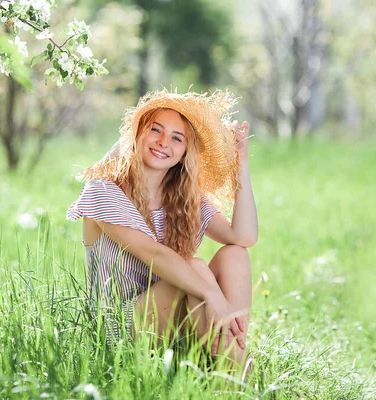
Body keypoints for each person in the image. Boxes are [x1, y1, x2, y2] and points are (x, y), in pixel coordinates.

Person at [66, 89, 258, 369]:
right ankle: (243, 373)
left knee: (234, 255)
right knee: (194, 267)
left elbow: (244, 237)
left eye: (176, 138)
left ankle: (226, 365)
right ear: (138, 134)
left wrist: (241, 167)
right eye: (155, 130)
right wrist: (213, 295)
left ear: (183, 153)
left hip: (172, 321)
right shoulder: (105, 189)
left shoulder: (183, 196)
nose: (163, 142)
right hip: (120, 330)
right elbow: (155, 253)